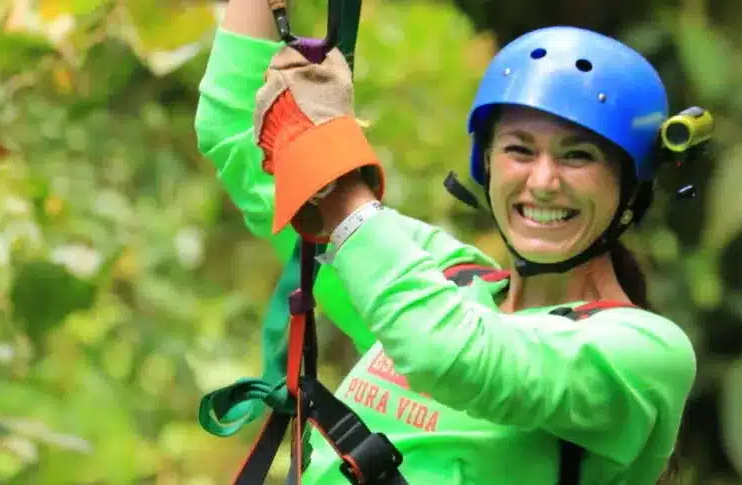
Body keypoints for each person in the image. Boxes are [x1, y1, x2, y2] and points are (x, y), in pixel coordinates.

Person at [194, 0, 699, 483]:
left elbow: (449, 352)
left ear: (630, 185)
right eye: (520, 150)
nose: (543, 182)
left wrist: (334, 174)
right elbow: (241, 131)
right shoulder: (446, 280)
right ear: (486, 164)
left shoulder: (643, 354)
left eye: (578, 156)